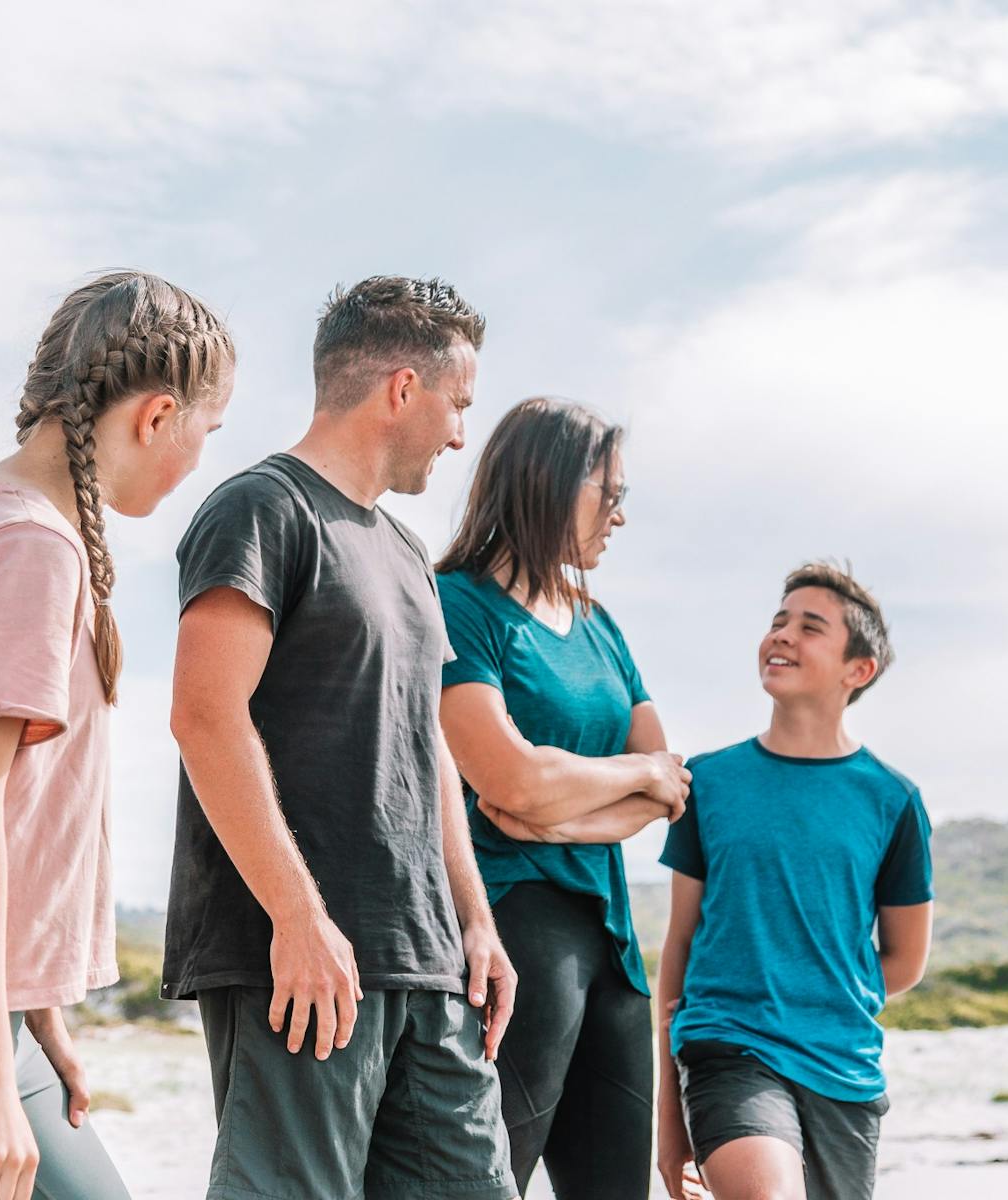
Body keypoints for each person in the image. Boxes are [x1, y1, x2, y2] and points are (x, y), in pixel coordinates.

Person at [0, 271, 235, 1200]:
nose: (200, 458)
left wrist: (38, 1016)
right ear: (157, 417)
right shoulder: (28, 548)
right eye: (208, 431)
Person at [162, 275, 518, 1200]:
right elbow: (205, 716)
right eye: (457, 405)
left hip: (426, 958)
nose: (459, 434)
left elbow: (427, 752)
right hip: (300, 959)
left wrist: (475, 920)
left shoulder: (407, 556)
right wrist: (298, 917)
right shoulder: (259, 509)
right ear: (404, 388)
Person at [435, 397, 691, 1197]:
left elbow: (670, 780)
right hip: (512, 930)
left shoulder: (598, 624)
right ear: (549, 482)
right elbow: (506, 778)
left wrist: (560, 815)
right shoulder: (456, 606)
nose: (618, 517)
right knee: (486, 1182)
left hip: (611, 938)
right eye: (607, 494)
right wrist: (617, 780)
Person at [656, 562, 935, 1200]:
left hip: (845, 1070)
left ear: (856, 670)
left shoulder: (893, 801)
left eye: (810, 627)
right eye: (778, 621)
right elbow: (679, 945)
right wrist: (668, 1127)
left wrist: (813, 991)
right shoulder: (712, 781)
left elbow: (906, 960)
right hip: (730, 1047)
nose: (782, 635)